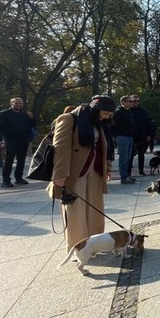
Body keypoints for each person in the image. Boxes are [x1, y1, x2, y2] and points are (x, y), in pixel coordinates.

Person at [48, 95, 116, 251]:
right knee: (75, 210)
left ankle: (95, 242)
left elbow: (105, 148)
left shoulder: (98, 122)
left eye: (109, 114)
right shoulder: (68, 119)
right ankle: (78, 247)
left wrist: (107, 168)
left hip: (95, 169)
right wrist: (59, 174)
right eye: (105, 113)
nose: (107, 117)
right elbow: (61, 148)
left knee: (94, 207)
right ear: (95, 109)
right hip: (73, 172)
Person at [0, 97, 36, 188]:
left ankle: (19, 178)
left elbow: (33, 125)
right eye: (16, 103)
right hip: (10, 140)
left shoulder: (24, 115)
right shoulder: (3, 114)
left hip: (23, 140)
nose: (19, 105)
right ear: (11, 104)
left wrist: (32, 118)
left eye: (21, 104)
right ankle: (6, 180)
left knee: (21, 159)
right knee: (9, 160)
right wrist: (1, 140)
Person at [112, 96, 135, 184]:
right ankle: (124, 178)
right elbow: (112, 124)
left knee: (128, 158)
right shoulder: (118, 113)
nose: (132, 102)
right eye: (130, 101)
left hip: (130, 137)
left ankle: (127, 176)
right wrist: (114, 135)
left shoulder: (129, 112)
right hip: (122, 137)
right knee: (123, 158)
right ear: (123, 102)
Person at [129, 94, 154, 177]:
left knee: (141, 154)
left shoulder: (143, 111)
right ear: (130, 101)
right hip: (131, 137)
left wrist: (149, 134)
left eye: (137, 101)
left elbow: (149, 123)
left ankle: (141, 170)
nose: (135, 102)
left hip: (142, 137)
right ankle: (128, 172)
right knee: (130, 155)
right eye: (133, 101)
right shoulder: (128, 111)